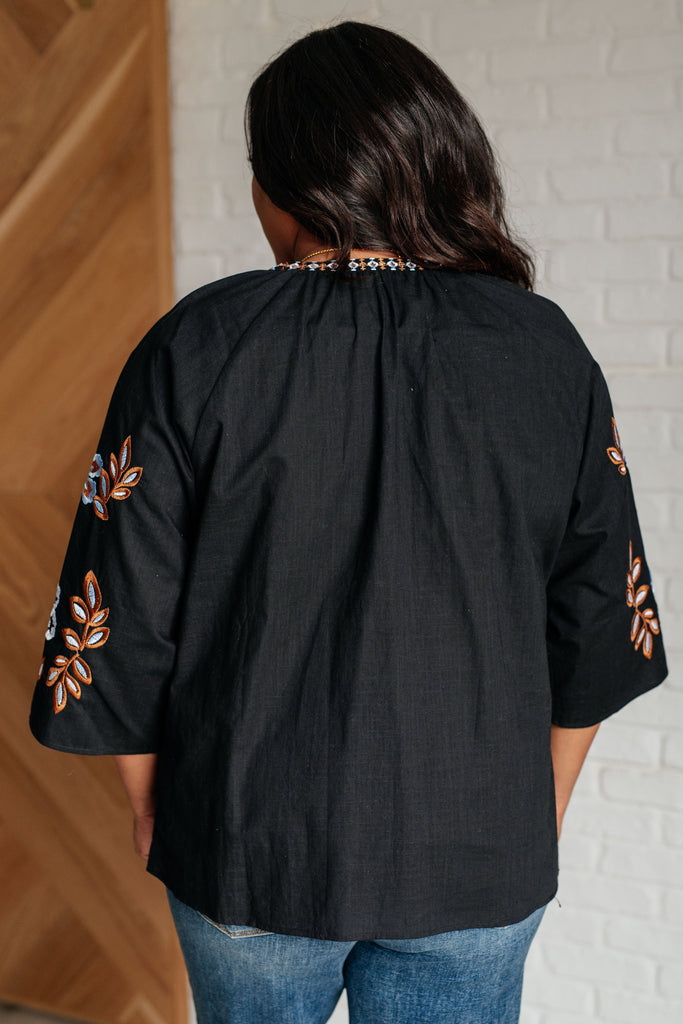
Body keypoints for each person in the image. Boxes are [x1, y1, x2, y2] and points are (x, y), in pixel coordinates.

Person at [29, 20, 668, 1024]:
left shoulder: (197, 346)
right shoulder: (542, 351)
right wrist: (532, 810)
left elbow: (114, 618)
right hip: (478, 846)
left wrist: (155, 805)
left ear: (281, 187)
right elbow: (600, 621)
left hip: (245, 844)